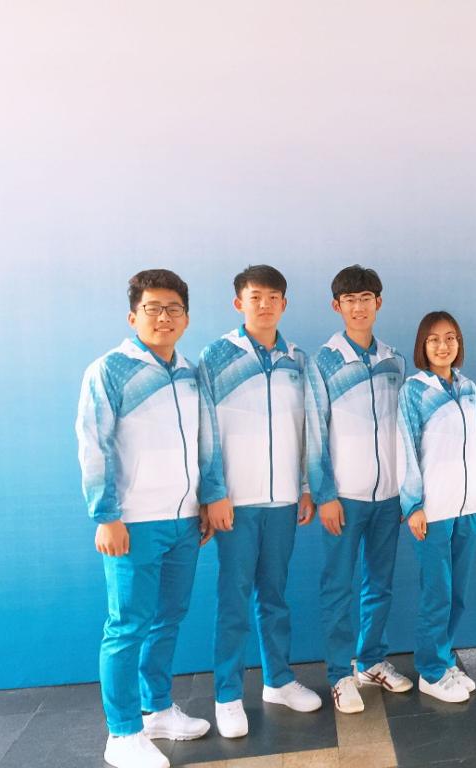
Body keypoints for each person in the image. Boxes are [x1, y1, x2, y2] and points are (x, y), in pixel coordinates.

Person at [77, 269, 211, 768]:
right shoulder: (109, 370)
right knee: (127, 626)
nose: (164, 317)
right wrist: (106, 515)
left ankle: (157, 709)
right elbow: (94, 445)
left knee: (168, 618)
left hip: (184, 520)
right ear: (133, 316)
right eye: (153, 308)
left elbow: (204, 443)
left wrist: (203, 502)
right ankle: (122, 732)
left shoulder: (191, 372)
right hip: (132, 523)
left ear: (186, 318)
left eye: (174, 309)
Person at [198, 265, 321, 738]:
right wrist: (215, 493)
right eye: (255, 297)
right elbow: (205, 428)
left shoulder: (297, 359)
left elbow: (308, 427)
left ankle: (279, 680)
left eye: (273, 297)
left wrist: (306, 487)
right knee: (233, 600)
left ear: (284, 304)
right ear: (239, 303)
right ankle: (228, 696)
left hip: (284, 500)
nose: (264, 304)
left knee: (274, 596)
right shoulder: (216, 357)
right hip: (237, 502)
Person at [305, 265, 412, 714]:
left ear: (378, 302)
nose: (358, 306)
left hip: (388, 497)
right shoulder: (322, 362)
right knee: (338, 589)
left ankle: (371, 661)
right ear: (337, 306)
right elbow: (314, 432)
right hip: (344, 498)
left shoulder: (394, 360)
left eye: (366, 298)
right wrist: (325, 494)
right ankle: (338, 674)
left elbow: (405, 429)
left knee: (379, 584)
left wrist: (407, 491)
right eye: (349, 299)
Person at [397, 311, 476, 703]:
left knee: (457, 595)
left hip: (467, 505)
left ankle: (445, 658)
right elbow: (405, 448)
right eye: (434, 339)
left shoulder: (468, 387)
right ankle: (431, 672)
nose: (443, 345)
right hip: (433, 511)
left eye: (450, 337)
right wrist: (413, 505)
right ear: (423, 345)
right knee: (437, 594)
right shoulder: (414, 390)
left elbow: (474, 444)